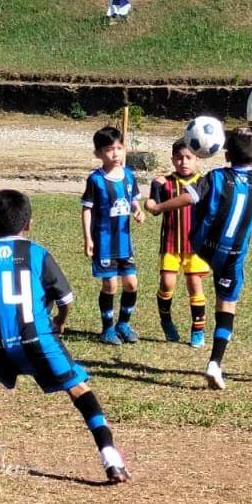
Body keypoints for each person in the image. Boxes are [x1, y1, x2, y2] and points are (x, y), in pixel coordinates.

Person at [0, 190, 130, 484]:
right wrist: (60, 320)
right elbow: (66, 298)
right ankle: (111, 458)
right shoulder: (36, 254)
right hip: (39, 342)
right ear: (29, 224)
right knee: (79, 388)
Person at [145, 128, 252, 391]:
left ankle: (196, 331)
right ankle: (215, 362)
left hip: (203, 245)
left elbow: (189, 197)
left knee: (193, 280)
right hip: (233, 255)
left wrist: (158, 208)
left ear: (226, 154)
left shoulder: (216, 176)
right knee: (226, 304)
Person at [81, 125, 145, 344]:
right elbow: (87, 208)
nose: (115, 153)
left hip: (124, 242)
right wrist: (88, 238)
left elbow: (133, 200)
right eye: (109, 149)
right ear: (98, 153)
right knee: (110, 285)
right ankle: (107, 329)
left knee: (131, 283)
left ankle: (124, 324)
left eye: (119, 147)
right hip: (104, 242)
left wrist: (137, 210)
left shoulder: (128, 176)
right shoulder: (95, 180)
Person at [150, 140, 209, 348]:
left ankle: (198, 329)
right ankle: (166, 320)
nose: (183, 162)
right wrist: (150, 202)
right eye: (178, 157)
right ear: (172, 159)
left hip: (196, 247)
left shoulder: (204, 183)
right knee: (167, 284)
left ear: (197, 159)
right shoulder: (164, 183)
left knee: (195, 284)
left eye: (188, 157)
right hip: (170, 243)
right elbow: (152, 203)